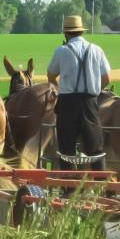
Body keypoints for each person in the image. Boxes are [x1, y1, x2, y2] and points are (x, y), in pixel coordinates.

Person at [46, 15, 111, 170]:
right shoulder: (96, 50)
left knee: (66, 149)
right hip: (90, 102)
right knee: (95, 148)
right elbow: (107, 78)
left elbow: (50, 75)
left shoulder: (61, 51)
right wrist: (94, 90)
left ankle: (69, 189)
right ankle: (100, 185)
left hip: (67, 104)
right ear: (81, 32)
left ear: (66, 34)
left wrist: (60, 89)